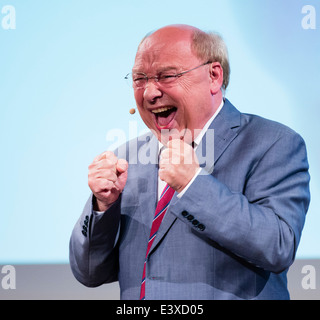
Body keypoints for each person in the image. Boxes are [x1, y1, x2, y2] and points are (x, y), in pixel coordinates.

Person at [69, 24, 310, 300]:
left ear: (214, 76)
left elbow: (277, 246)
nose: (149, 93)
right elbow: (88, 272)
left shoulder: (273, 143)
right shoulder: (127, 159)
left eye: (166, 76)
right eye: (139, 79)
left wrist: (193, 184)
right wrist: (102, 207)